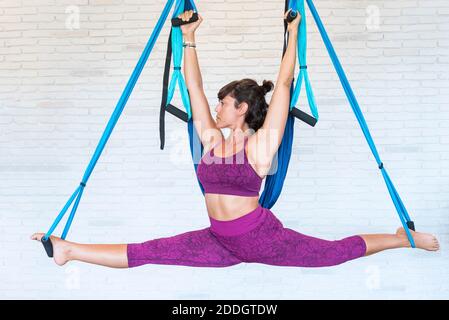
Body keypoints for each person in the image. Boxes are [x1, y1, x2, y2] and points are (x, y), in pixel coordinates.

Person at [31, 10, 439, 269]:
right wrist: (189, 37)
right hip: (218, 241)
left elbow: (282, 86)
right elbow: (193, 87)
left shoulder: (260, 147)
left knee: (330, 254)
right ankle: (68, 249)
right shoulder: (210, 140)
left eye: (224, 103)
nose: (217, 108)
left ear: (242, 108)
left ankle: (402, 239)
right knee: (147, 251)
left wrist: (293, 34)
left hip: (261, 238)